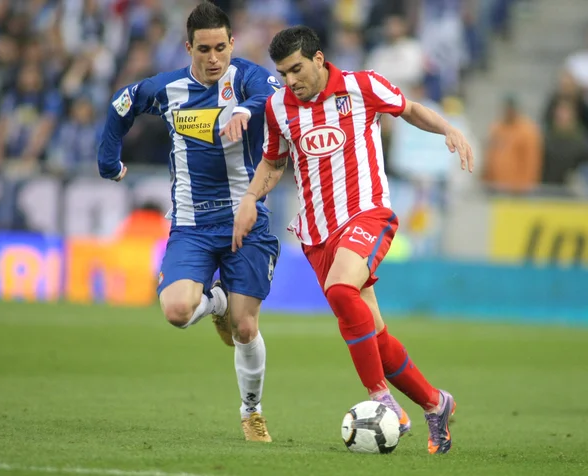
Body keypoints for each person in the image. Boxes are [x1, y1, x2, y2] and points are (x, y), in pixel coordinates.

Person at [232, 26, 474, 455]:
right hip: (317, 233)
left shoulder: (362, 86)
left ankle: (382, 400)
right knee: (374, 336)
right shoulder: (278, 108)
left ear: (319, 59)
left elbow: (410, 109)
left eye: (297, 69)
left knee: (341, 289)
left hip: (368, 213)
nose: (291, 81)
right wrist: (251, 197)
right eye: (284, 73)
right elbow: (273, 161)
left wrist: (448, 130)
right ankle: (436, 404)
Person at [97, 1, 282, 443]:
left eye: (221, 47)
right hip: (192, 225)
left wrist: (246, 110)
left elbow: (276, 93)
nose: (214, 57)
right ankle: (213, 303)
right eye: (204, 49)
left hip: (246, 219)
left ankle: (251, 412)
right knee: (177, 311)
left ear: (232, 44)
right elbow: (122, 104)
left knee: (245, 327)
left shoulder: (249, 78)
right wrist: (108, 160)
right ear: (189, 47)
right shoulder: (168, 88)